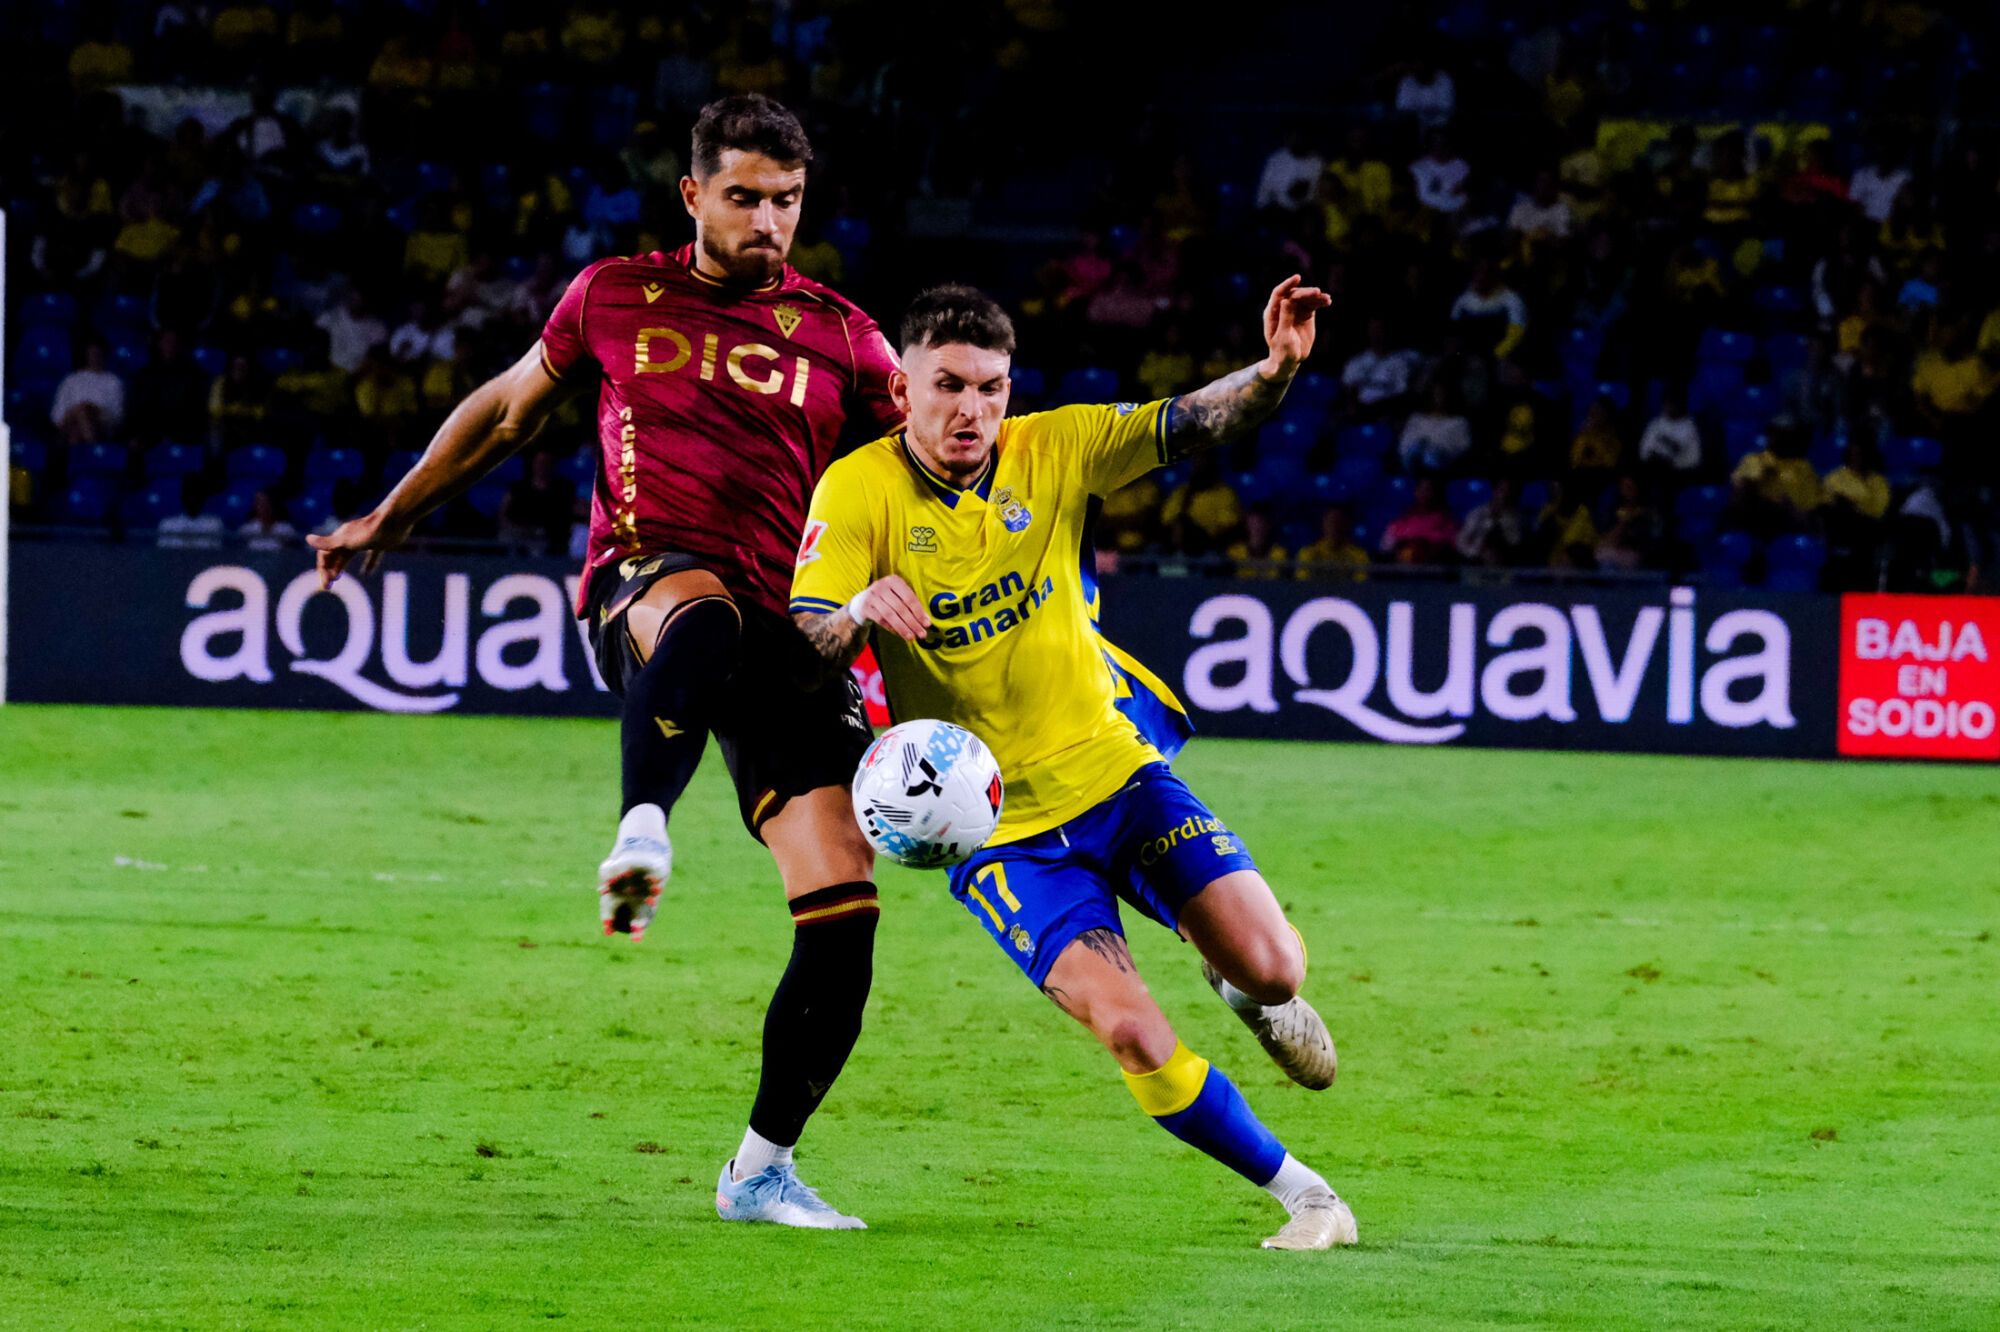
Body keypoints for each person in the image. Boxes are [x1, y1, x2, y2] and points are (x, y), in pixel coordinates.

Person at [309, 95, 906, 1231]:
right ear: (692, 196)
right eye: (742, 197)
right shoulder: (616, 297)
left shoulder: (843, 336)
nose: (766, 220)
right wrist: (389, 514)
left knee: (842, 909)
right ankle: (642, 827)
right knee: (706, 613)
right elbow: (504, 416)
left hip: (791, 634)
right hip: (648, 590)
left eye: (785, 201)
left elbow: (919, 467)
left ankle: (760, 1168)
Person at [788, 279, 1356, 1251]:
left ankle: (1240, 987)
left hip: (1115, 776)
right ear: (903, 393)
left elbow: (1195, 421)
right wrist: (853, 614)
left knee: (1275, 967)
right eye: (949, 386)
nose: (971, 410)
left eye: (991, 388)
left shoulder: (1057, 446)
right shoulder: (858, 489)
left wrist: (1277, 369)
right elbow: (805, 641)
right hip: (997, 832)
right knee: (1130, 1029)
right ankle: (1309, 1199)